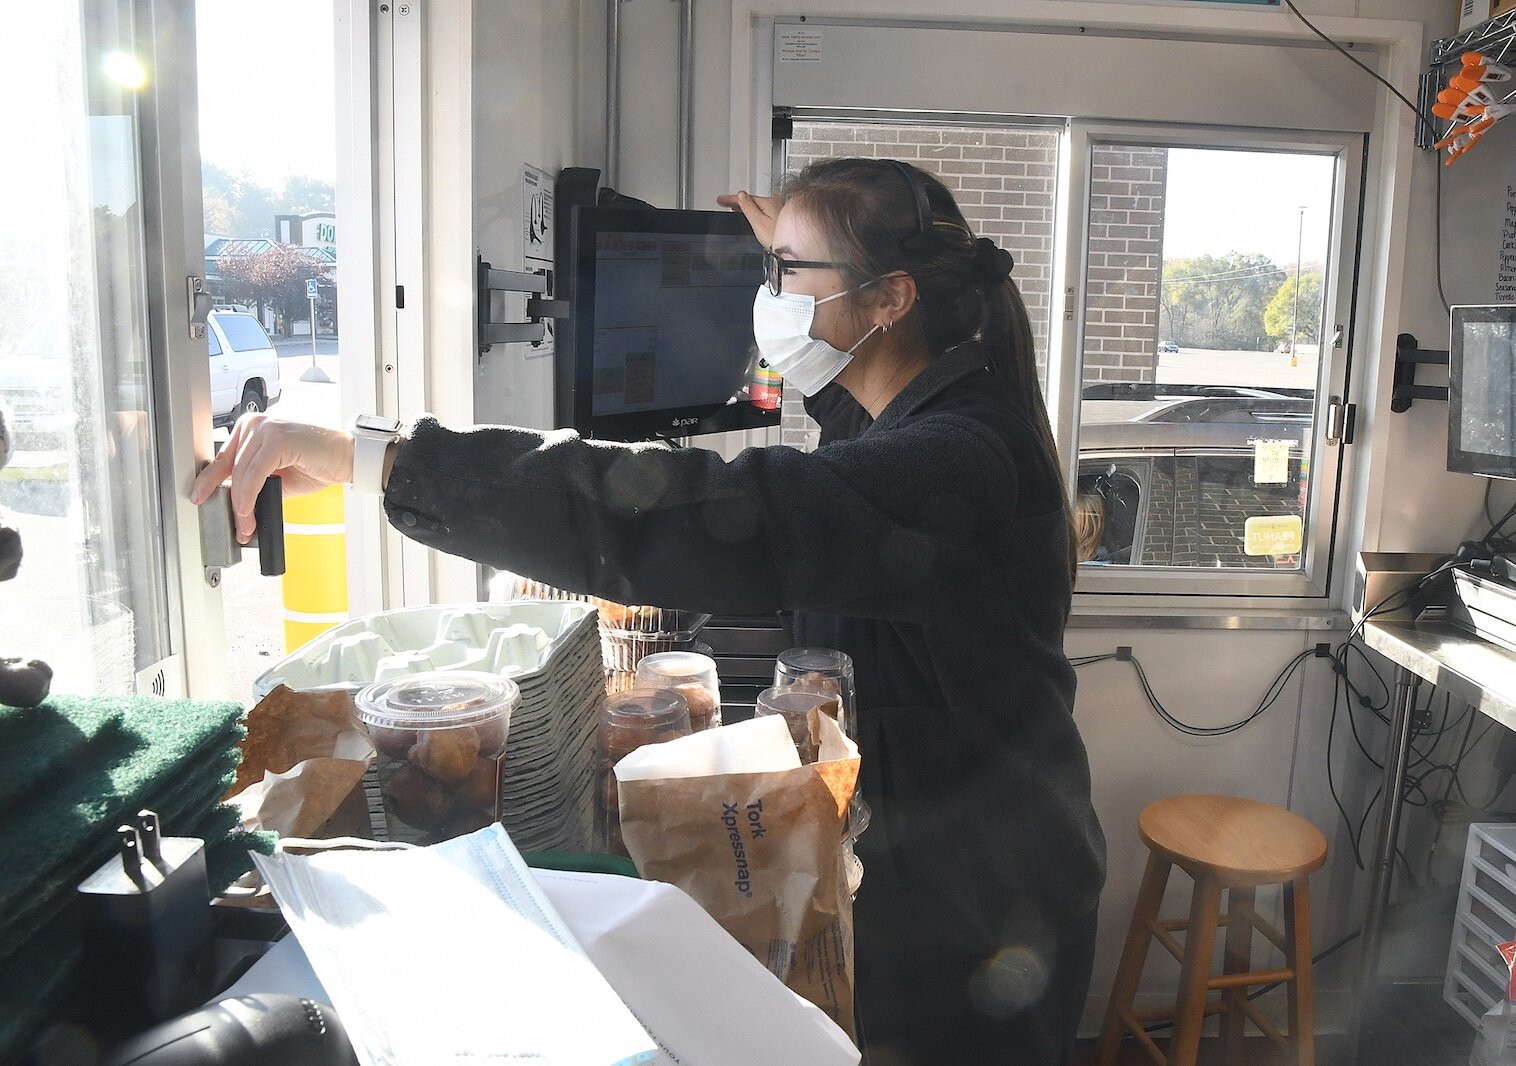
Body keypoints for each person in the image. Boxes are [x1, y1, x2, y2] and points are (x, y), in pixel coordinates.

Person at [192, 157, 1106, 1065]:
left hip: (985, 905)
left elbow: (708, 511)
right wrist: (803, 276)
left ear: (888, 300)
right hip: (958, 855)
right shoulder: (921, 410)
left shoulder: (957, 455)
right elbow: (847, 428)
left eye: (788, 274)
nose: (768, 295)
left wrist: (384, 460)